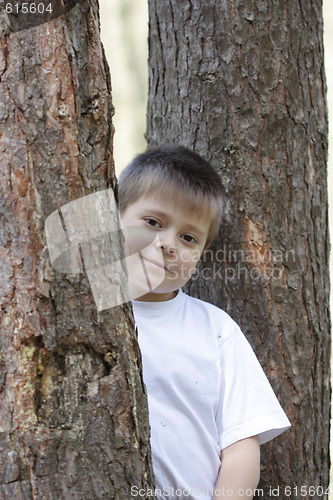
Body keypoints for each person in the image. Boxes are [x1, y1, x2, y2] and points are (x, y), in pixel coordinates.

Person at [118, 145, 291, 500]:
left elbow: (241, 442)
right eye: (153, 222)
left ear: (197, 260)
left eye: (188, 238)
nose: (167, 244)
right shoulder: (82, 319)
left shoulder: (214, 328)